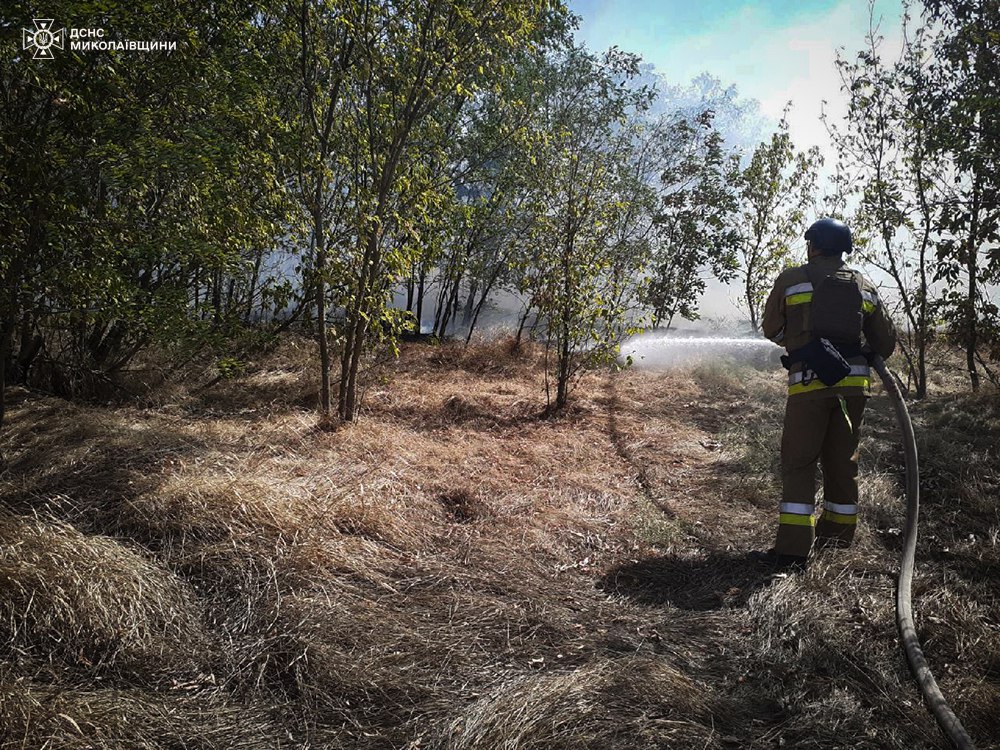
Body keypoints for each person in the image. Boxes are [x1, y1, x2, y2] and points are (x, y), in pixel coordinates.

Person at [750, 218, 897, 569]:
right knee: (842, 462)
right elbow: (886, 344)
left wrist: (800, 342)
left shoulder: (791, 279)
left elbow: (771, 327)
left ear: (813, 245)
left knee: (800, 463)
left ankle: (793, 550)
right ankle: (836, 540)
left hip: (809, 385)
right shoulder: (864, 284)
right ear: (843, 249)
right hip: (854, 387)